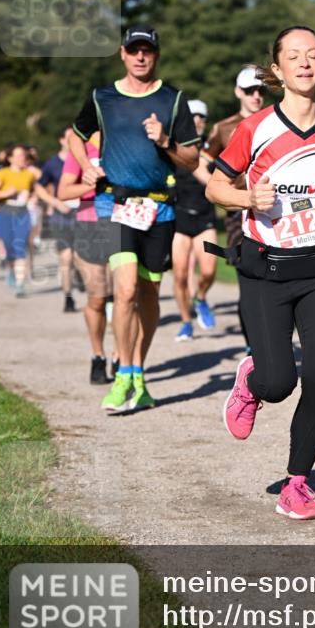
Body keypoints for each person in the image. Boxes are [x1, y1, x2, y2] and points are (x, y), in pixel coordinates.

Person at [206, 25, 315, 520]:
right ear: (278, 70)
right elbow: (215, 187)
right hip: (265, 272)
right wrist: (247, 197)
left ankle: (297, 484)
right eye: (294, 56)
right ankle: (252, 380)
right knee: (280, 382)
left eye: (314, 55)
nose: (305, 63)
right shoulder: (255, 128)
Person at [69, 24, 200, 413]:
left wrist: (165, 141)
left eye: (147, 50)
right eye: (134, 49)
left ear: (156, 55)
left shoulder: (173, 100)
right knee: (124, 290)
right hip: (115, 205)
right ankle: (123, 373)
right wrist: (86, 166)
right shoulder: (102, 97)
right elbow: (75, 135)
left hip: (160, 208)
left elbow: (191, 159)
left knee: (148, 295)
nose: (141, 56)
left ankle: (138, 372)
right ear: (123, 54)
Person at [204, 66, 266, 347]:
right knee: (248, 278)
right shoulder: (224, 128)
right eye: (250, 90)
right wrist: (219, 191)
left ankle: (273, 341)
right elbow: (202, 163)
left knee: (276, 279)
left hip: (273, 210)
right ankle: (253, 346)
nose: (256, 96)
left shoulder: (276, 121)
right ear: (238, 92)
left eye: (261, 90)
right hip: (238, 213)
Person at [58, 131, 117, 385]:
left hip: (124, 224)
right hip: (90, 225)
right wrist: (95, 185)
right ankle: (98, 356)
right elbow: (63, 192)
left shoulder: (126, 142)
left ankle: (121, 357)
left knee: (125, 298)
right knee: (97, 298)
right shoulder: (81, 149)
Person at [172, 99, 218, 340]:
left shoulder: (211, 148)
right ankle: (185, 322)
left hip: (204, 217)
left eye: (202, 117)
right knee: (180, 275)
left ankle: (200, 298)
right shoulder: (174, 149)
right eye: (193, 117)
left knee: (209, 271)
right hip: (179, 219)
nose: (197, 121)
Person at [0, 144, 39, 296]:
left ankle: (20, 284)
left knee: (20, 246)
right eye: (17, 155)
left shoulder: (29, 174)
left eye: (23, 155)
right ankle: (11, 269)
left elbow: (35, 190)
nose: (21, 158)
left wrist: (33, 197)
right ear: (10, 158)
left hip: (22, 213)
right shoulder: (2, 173)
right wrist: (7, 193)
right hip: (5, 212)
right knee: (9, 247)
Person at [38, 128, 79, 313]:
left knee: (82, 257)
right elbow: (39, 187)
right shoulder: (52, 163)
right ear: (61, 140)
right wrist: (54, 201)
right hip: (62, 216)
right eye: (69, 138)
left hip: (84, 213)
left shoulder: (85, 159)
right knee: (66, 257)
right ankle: (68, 297)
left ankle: (80, 277)